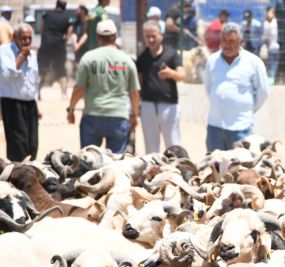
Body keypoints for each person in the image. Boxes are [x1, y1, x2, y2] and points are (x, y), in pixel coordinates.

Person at [66, 19, 140, 154]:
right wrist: (134, 115)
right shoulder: (127, 60)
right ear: (115, 37)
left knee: (88, 163)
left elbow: (79, 89)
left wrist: (71, 110)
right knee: (115, 165)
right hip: (119, 116)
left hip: (92, 115)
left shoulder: (88, 58)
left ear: (98, 37)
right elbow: (134, 92)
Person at [203, 22, 268, 152]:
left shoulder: (254, 63)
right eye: (224, 40)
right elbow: (209, 88)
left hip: (241, 128)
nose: (227, 45)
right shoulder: (212, 61)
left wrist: (247, 109)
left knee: (240, 169)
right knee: (214, 168)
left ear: (241, 41)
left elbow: (263, 92)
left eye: (232, 41)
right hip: (215, 127)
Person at [136, 20, 185, 154]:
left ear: (161, 35)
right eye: (147, 36)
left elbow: (182, 75)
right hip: (148, 106)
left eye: (154, 36)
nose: (151, 39)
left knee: (173, 145)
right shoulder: (142, 57)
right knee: (151, 148)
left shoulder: (172, 54)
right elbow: (139, 82)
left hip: (169, 106)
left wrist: (171, 73)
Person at [0, 23, 40, 161]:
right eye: (23, 38)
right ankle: (18, 173)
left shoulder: (33, 54)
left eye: (29, 38)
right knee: (18, 144)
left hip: (30, 104)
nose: (27, 41)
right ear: (14, 37)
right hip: (12, 103)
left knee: (32, 144)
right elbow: (7, 74)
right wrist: (21, 57)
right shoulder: (4, 51)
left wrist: (36, 104)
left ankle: (30, 169)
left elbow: (34, 80)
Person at [38, 0, 72, 100]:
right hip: (59, 45)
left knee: (42, 69)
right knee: (61, 69)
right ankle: (64, 94)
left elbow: (42, 28)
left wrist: (44, 40)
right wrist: (64, 44)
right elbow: (68, 34)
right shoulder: (67, 17)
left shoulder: (47, 14)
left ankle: (37, 92)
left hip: (46, 44)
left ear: (56, 5)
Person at [261, 6, 279, 81]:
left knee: (273, 63)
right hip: (270, 47)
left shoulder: (275, 22)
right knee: (269, 63)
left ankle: (272, 78)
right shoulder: (266, 23)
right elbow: (265, 37)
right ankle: (270, 78)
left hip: (275, 46)